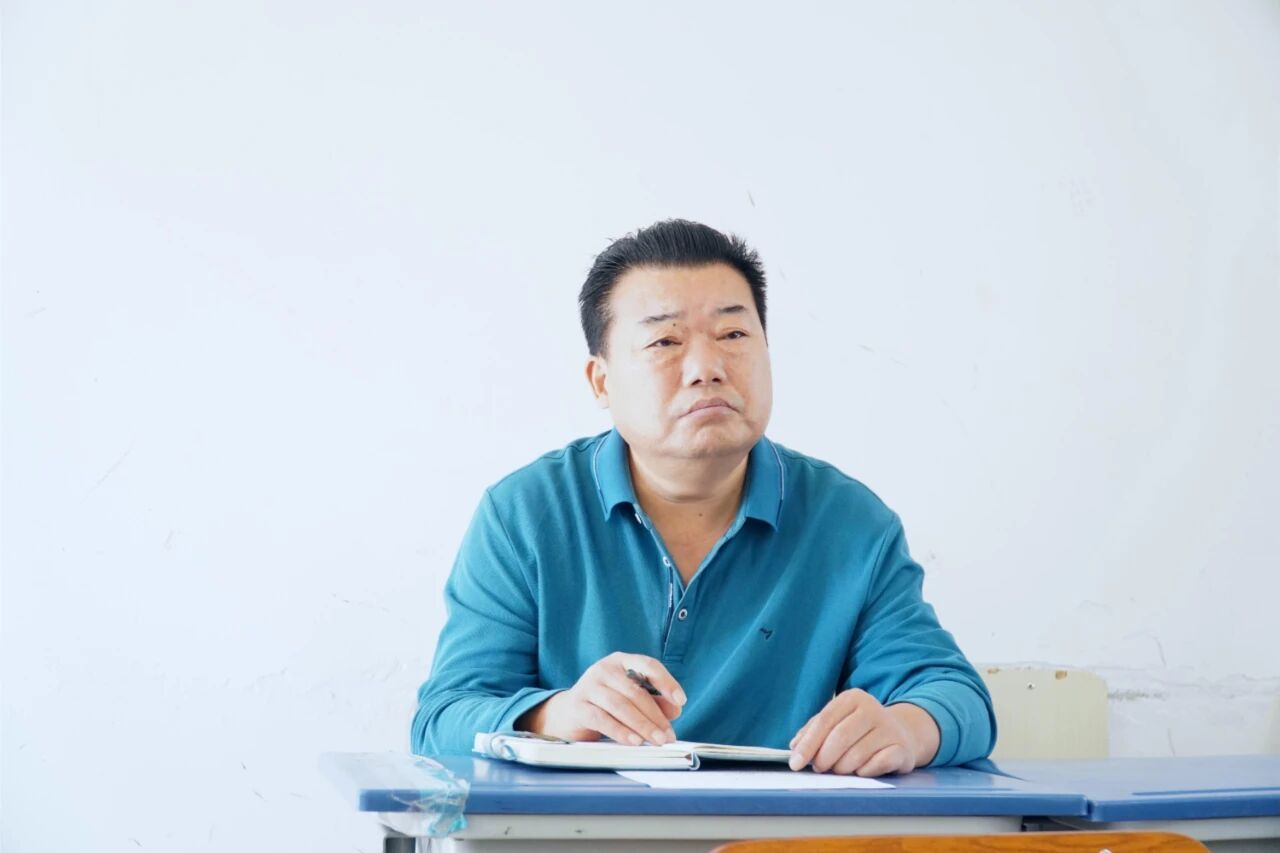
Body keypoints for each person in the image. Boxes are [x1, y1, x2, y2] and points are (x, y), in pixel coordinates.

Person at [411, 219, 995, 776]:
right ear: (602, 381)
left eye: (733, 335)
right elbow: (441, 719)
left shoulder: (850, 523)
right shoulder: (524, 514)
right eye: (665, 340)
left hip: (773, 832)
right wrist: (558, 715)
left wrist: (906, 729)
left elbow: (955, 695)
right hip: (579, 830)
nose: (707, 368)